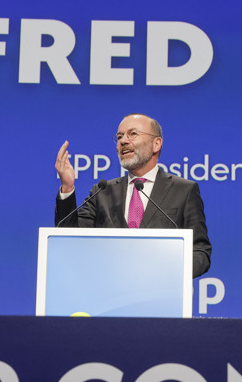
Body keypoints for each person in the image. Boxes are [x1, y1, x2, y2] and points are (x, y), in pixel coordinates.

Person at [54, 114, 211, 278]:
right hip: (109, 293)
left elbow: (200, 252)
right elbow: (69, 238)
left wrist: (171, 274)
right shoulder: (103, 192)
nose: (123, 141)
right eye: (119, 136)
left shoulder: (184, 190)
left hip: (161, 294)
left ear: (156, 144)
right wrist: (67, 187)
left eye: (133, 134)